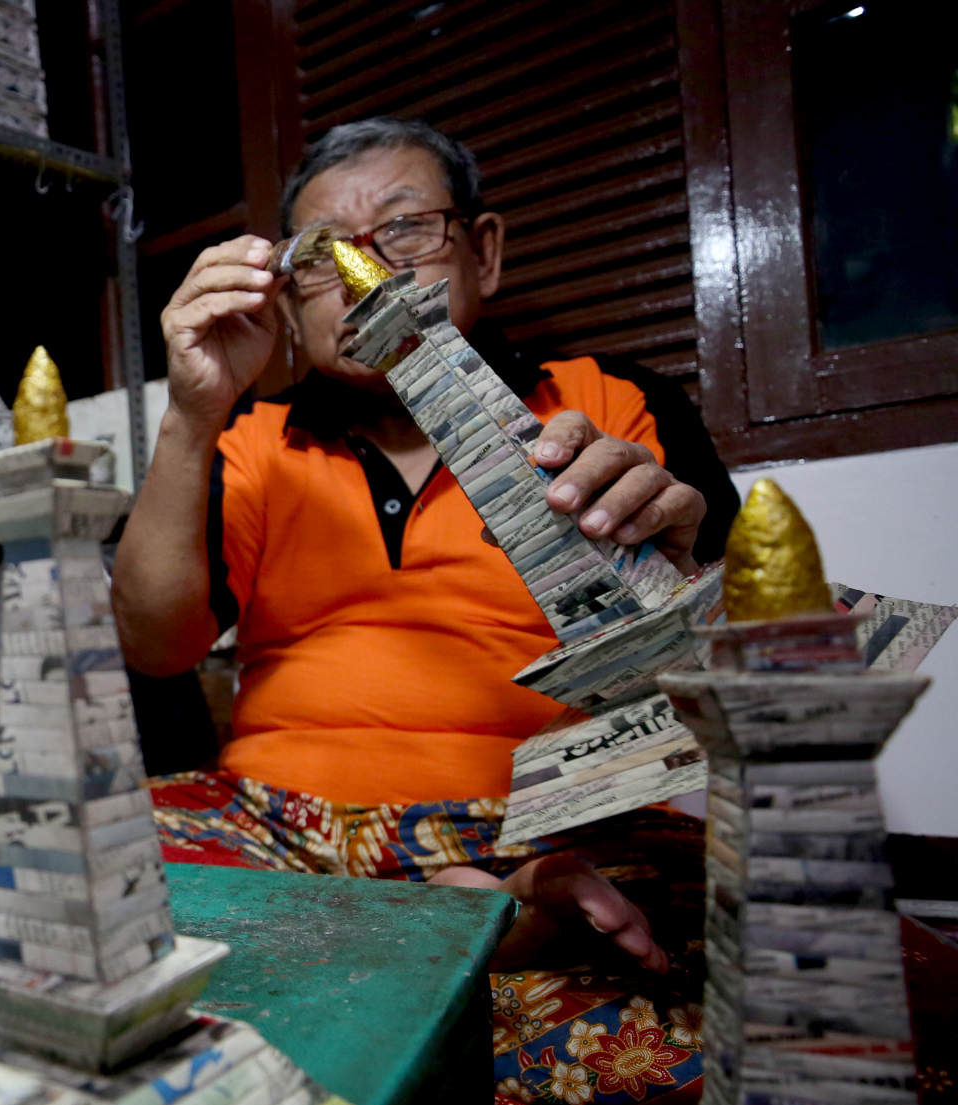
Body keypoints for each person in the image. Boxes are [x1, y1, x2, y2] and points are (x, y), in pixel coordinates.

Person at [112, 118, 741, 973]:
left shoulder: (612, 403)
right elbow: (154, 646)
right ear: (288, 303)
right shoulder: (250, 440)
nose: (361, 273)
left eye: (404, 228)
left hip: (543, 820)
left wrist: (673, 567)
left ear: (482, 251)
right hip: (276, 822)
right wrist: (193, 412)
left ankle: (493, 907)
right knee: (61, 859)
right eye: (319, 255)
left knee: (720, 918)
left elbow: (730, 674)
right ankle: (475, 925)